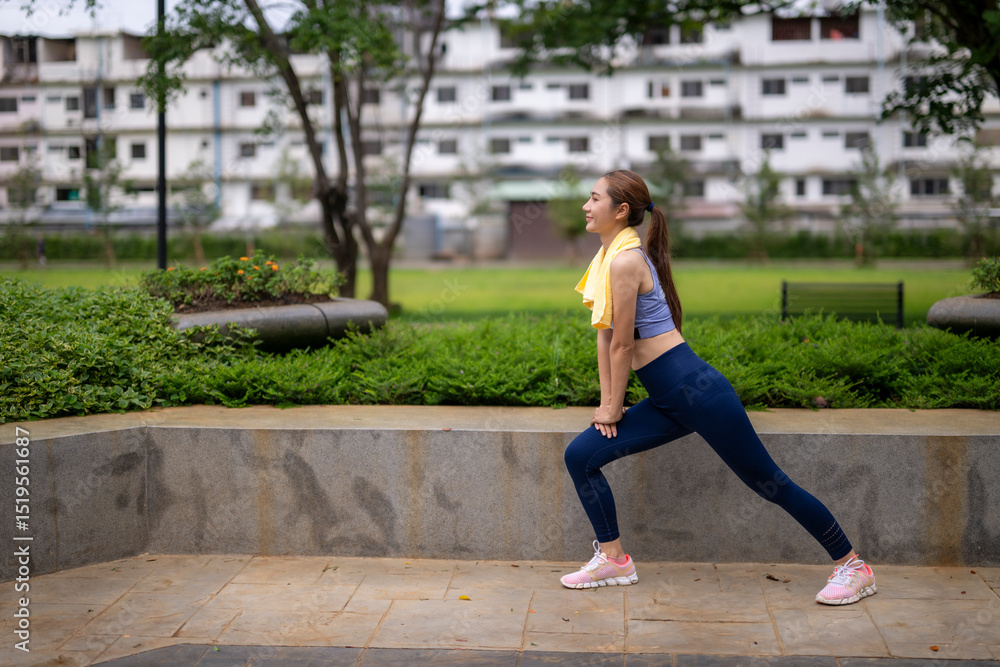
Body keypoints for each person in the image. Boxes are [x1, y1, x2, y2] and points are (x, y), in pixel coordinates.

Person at [559, 169, 876, 606]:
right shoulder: (609, 256)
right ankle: (614, 559)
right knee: (580, 455)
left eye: (594, 198)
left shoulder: (626, 260)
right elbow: (605, 335)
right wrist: (604, 403)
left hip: (697, 391)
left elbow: (623, 344)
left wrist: (614, 407)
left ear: (621, 210)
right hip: (669, 399)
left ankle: (853, 566)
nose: (586, 206)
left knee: (769, 482)